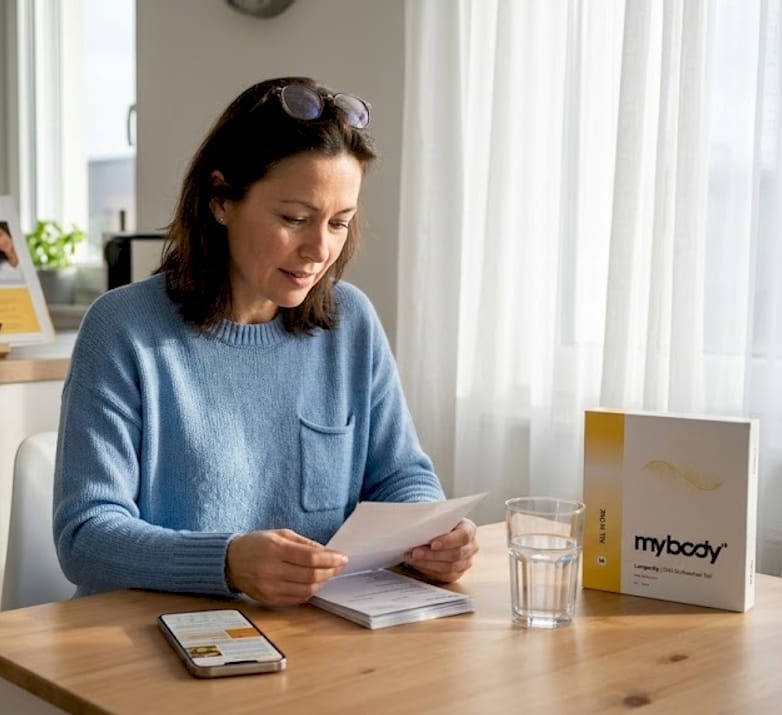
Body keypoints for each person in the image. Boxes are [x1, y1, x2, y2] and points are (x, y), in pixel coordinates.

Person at [52, 76, 478, 607]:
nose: (319, 249)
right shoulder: (124, 329)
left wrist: (432, 534)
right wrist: (227, 562)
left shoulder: (351, 321)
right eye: (295, 219)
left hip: (313, 629)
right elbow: (85, 536)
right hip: (155, 630)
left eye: (339, 223)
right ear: (221, 201)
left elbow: (399, 476)